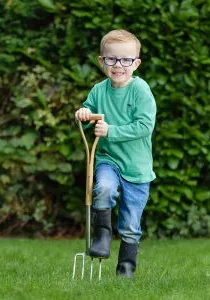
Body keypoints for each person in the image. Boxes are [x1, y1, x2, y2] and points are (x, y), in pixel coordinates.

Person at [75, 29, 156, 278]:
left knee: (131, 223)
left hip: (137, 167)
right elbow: (89, 111)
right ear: (102, 61)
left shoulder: (141, 91)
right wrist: (84, 113)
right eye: (111, 59)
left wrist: (111, 131)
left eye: (126, 60)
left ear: (136, 63)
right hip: (108, 160)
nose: (118, 65)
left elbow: (145, 126)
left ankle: (126, 268)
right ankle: (102, 237)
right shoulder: (99, 91)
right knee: (104, 189)